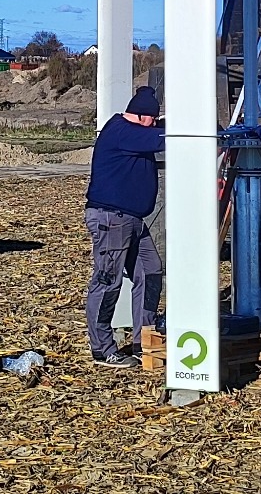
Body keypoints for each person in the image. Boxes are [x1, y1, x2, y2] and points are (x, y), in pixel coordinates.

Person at [84, 86, 166, 368]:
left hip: (131, 219)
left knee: (150, 270)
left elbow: (156, 131)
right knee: (108, 281)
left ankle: (143, 337)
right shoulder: (122, 131)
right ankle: (102, 348)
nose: (155, 124)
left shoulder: (135, 131)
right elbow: (159, 138)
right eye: (153, 120)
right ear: (143, 117)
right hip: (112, 218)